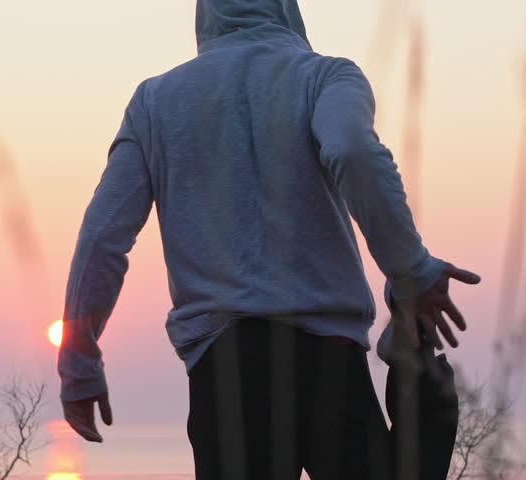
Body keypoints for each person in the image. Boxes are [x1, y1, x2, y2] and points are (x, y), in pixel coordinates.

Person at [56, 0, 481, 478]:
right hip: (331, 359)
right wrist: (411, 272)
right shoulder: (326, 76)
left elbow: (102, 236)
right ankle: (409, 357)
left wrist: (79, 361)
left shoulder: (155, 102)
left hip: (227, 370)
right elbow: (353, 149)